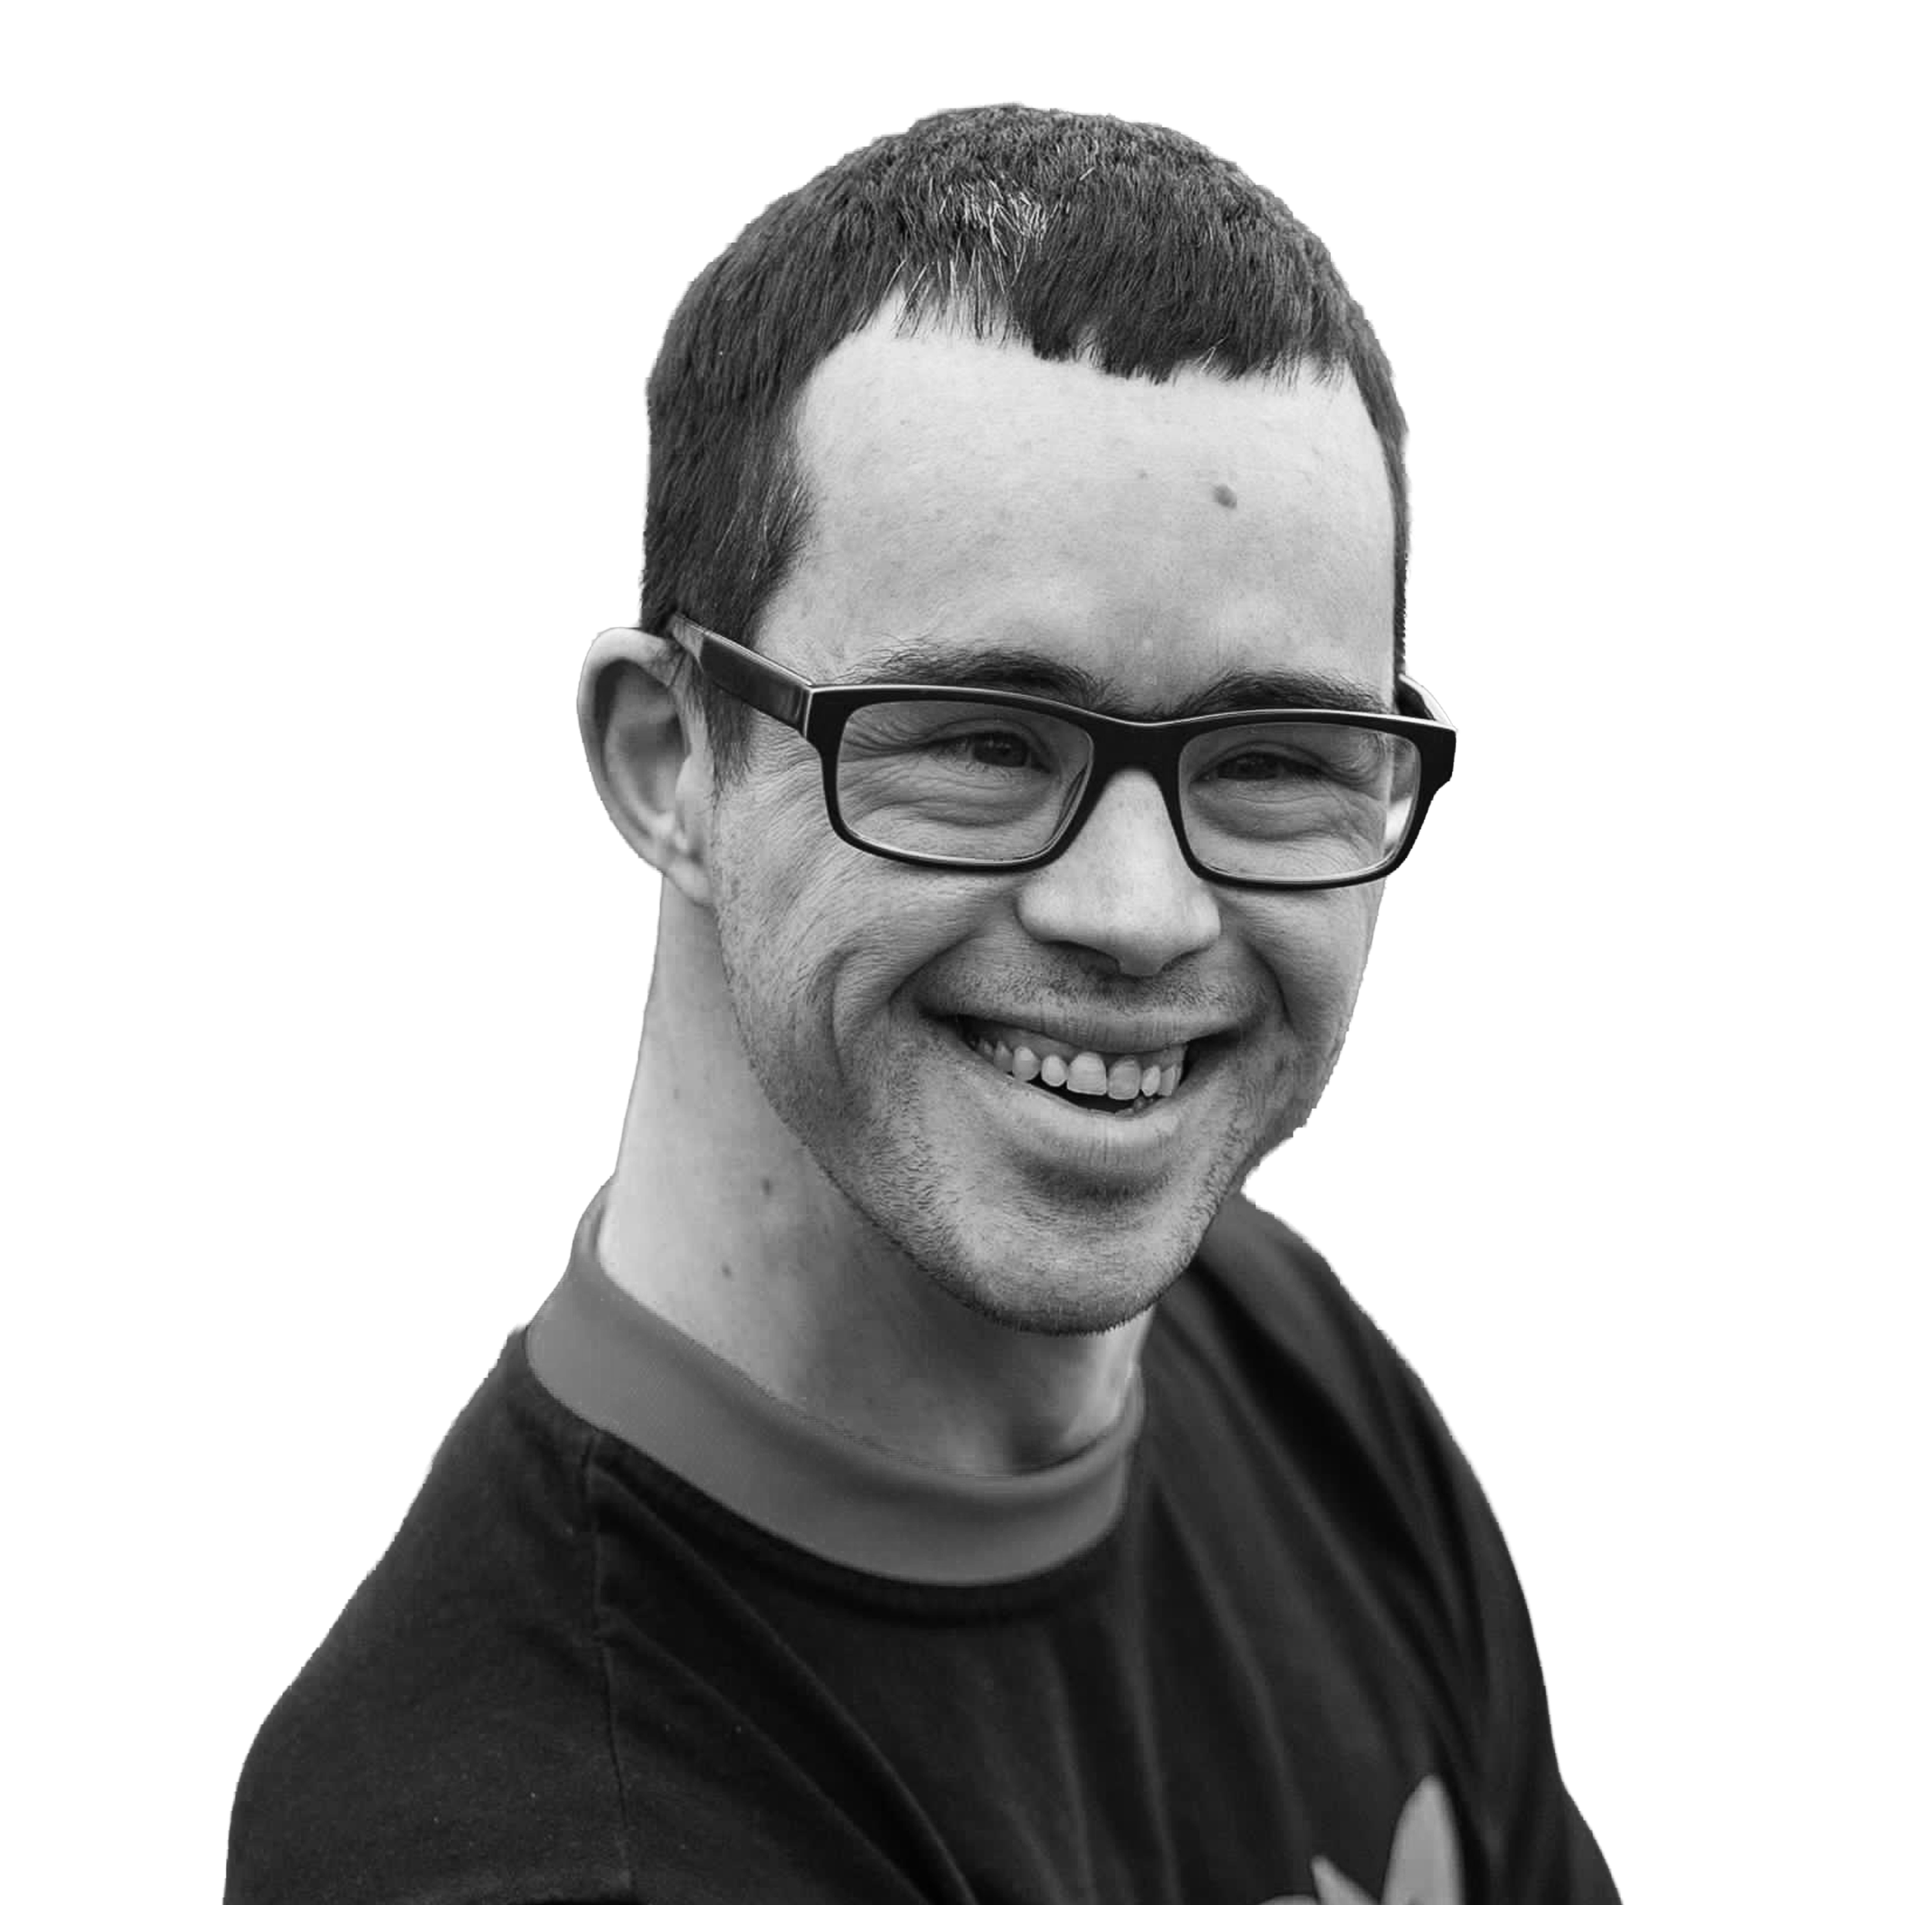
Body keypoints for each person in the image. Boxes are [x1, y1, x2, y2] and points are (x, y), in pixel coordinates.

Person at [226, 104, 1620, 1904]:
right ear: (672, 760)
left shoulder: (1279, 1360)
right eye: (978, 740)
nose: (1135, 910)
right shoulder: (529, 1830)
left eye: (1271, 758)